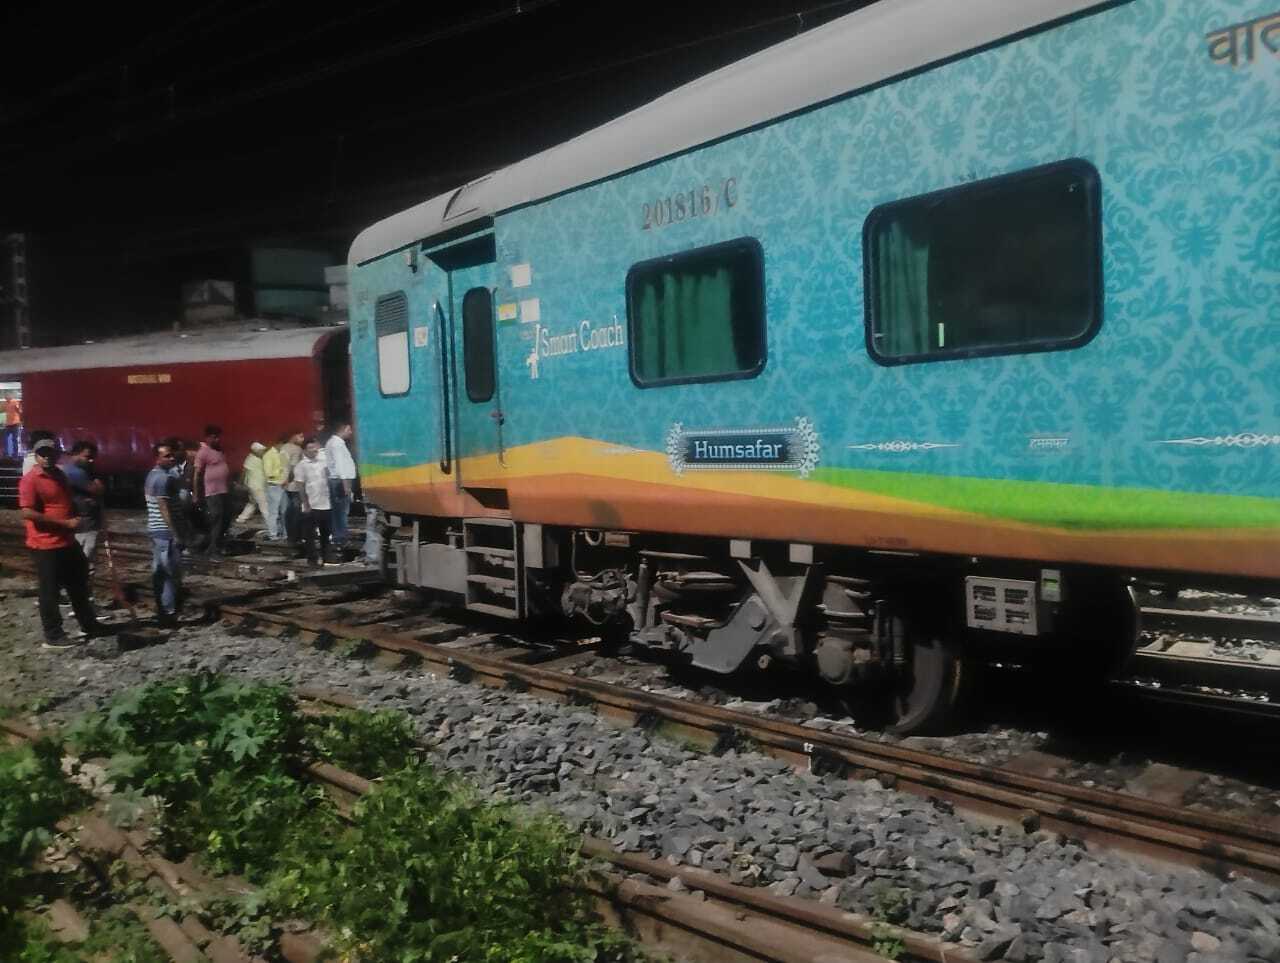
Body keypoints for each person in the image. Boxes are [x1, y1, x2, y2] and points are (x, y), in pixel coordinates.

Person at [17, 437, 106, 648]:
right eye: (42, 454)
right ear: (36, 456)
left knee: (79, 583)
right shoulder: (31, 480)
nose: (46, 457)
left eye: (50, 453)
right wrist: (64, 523)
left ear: (57, 454)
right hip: (45, 543)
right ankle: (53, 635)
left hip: (66, 540)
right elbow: (28, 512)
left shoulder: (60, 475)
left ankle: (89, 624)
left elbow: (66, 501)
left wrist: (78, 512)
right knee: (50, 590)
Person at [145, 442, 184, 628]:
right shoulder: (162, 479)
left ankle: (164, 610)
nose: (172, 458)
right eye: (167, 456)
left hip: (157, 531)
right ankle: (168, 613)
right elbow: (164, 507)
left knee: (161, 571)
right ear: (157, 458)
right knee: (168, 573)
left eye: (172, 454)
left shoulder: (152, 475)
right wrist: (176, 533)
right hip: (164, 532)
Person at [62, 441, 104, 577]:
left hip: (83, 521)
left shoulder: (75, 470)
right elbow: (97, 489)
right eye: (87, 457)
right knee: (85, 558)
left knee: (82, 559)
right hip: (84, 523)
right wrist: (96, 479)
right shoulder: (76, 472)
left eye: (93, 457)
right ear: (75, 454)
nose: (91, 460)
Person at [294, 435, 333, 567]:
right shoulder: (301, 466)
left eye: (315, 447)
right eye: (310, 448)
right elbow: (300, 486)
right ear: (304, 450)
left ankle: (327, 557)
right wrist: (305, 503)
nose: (314, 450)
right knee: (310, 534)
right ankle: (312, 559)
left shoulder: (323, 462)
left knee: (326, 533)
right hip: (311, 504)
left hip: (326, 503)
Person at [193, 425, 231, 557]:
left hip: (223, 490)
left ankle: (215, 545)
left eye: (218, 437)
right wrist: (196, 494)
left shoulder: (220, 450)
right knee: (217, 519)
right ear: (207, 438)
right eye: (214, 437)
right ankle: (213, 548)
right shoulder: (203, 452)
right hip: (212, 491)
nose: (217, 439)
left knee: (225, 518)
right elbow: (197, 474)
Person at [324, 422, 357, 552]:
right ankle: (341, 538)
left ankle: (339, 536)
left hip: (338, 480)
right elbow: (340, 465)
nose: (351, 432)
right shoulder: (337, 444)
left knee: (339, 511)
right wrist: (345, 484)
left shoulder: (333, 442)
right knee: (341, 512)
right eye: (349, 429)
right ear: (342, 429)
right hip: (339, 481)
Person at [234, 442, 270, 529]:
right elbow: (244, 472)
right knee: (264, 504)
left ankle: (241, 519)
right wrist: (239, 483)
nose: (263, 452)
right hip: (256, 485)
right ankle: (270, 522)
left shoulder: (260, 458)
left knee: (252, 503)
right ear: (256, 451)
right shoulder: (250, 459)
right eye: (262, 451)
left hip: (257, 485)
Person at [280, 429, 304, 546]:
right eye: (300, 436)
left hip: (284, 483)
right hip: (294, 484)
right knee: (296, 510)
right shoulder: (297, 449)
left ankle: (289, 535)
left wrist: (283, 481)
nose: (302, 439)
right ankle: (295, 536)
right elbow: (294, 467)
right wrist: (288, 480)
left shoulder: (283, 448)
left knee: (288, 510)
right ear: (293, 436)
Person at [262, 436, 288, 541]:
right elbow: (268, 473)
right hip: (273, 486)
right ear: (279, 443)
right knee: (273, 512)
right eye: (284, 445)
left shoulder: (282, 453)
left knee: (285, 511)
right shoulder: (268, 455)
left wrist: (285, 478)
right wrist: (280, 472)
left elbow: (287, 468)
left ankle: (285, 533)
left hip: (283, 486)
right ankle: (273, 534)